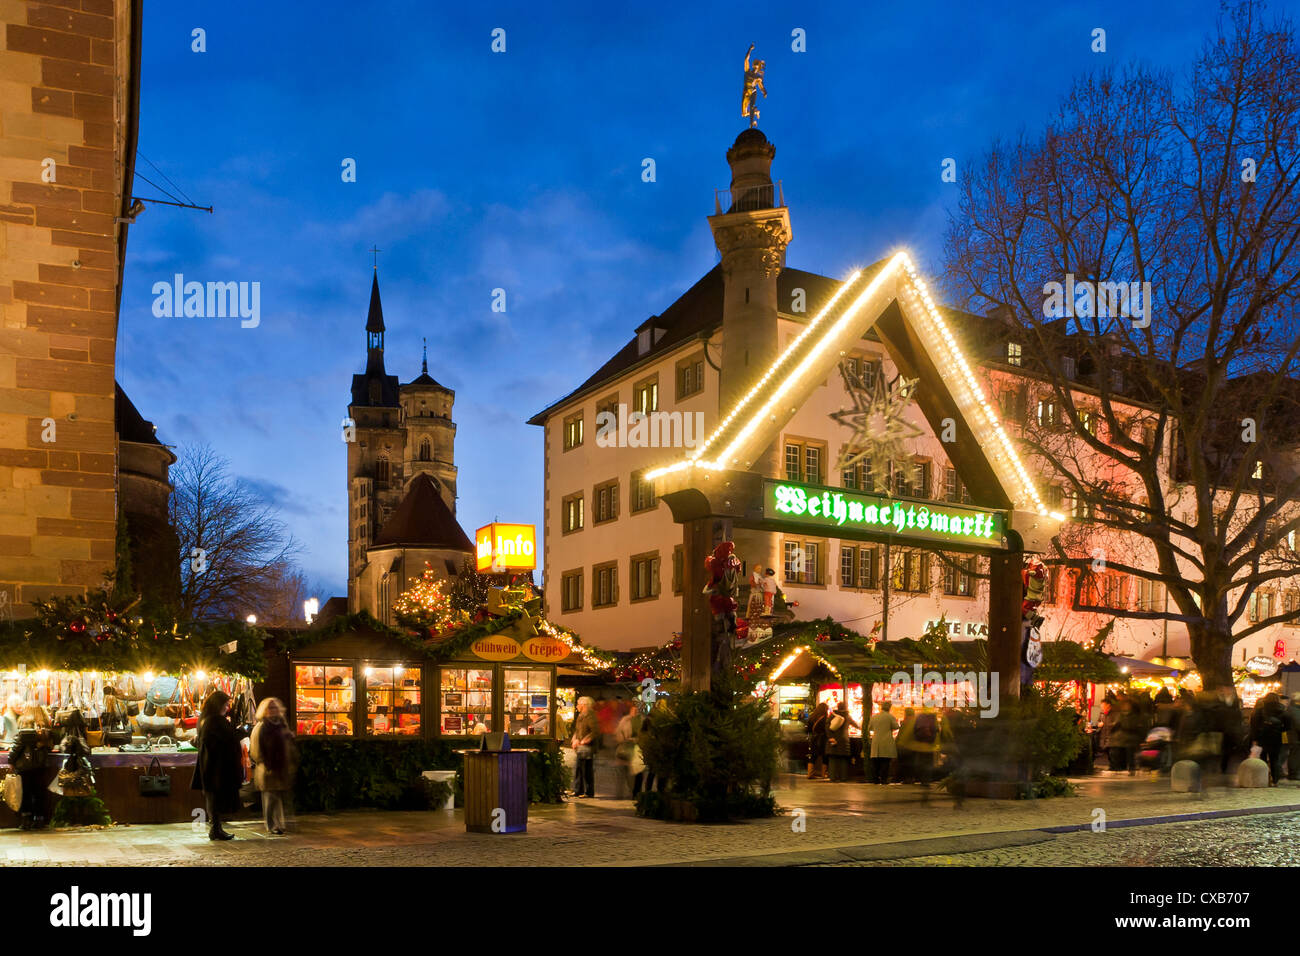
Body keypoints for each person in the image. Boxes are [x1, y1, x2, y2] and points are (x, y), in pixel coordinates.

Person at [191, 691, 243, 840]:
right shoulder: (215, 721)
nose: (228, 708)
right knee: (215, 798)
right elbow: (224, 740)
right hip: (217, 766)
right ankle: (215, 829)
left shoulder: (205, 719)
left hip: (210, 764)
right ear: (219, 704)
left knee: (212, 797)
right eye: (226, 705)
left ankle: (216, 828)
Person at [250, 697, 297, 835]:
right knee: (270, 797)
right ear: (264, 710)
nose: (273, 710)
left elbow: (287, 745)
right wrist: (266, 764)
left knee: (278, 796)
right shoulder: (262, 727)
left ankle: (280, 824)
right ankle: (272, 825)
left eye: (275, 707)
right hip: (268, 768)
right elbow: (257, 749)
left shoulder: (281, 725)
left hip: (281, 766)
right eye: (270, 708)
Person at [9, 704, 52, 830]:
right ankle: (40, 820)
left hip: (24, 766)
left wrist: (11, 761)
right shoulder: (45, 729)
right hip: (40, 766)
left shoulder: (24, 728)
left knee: (25, 793)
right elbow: (50, 746)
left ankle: (26, 820)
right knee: (39, 792)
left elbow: (16, 748)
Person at [1249, 692, 1286, 785]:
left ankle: (1264, 779)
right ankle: (1275, 780)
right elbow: (1288, 725)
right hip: (1276, 738)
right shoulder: (1282, 710)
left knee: (1262, 759)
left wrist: (1255, 738)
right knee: (1275, 759)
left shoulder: (1260, 710)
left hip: (1262, 738)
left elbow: (1254, 725)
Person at [867, 701, 899, 784]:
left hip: (876, 741)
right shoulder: (890, 717)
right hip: (886, 741)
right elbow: (896, 726)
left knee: (876, 762)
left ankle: (875, 780)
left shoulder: (874, 717)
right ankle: (884, 780)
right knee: (885, 762)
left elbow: (869, 728)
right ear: (889, 708)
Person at [570, 696, 597, 798]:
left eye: (578, 704)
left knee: (586, 770)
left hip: (587, 748)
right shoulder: (581, 715)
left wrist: (585, 740)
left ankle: (589, 792)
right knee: (579, 769)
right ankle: (578, 790)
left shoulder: (590, 716)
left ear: (584, 705)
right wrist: (575, 739)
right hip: (581, 747)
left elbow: (595, 731)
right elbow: (578, 731)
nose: (576, 706)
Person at [826, 700, 859, 782]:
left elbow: (827, 726)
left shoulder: (832, 715)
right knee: (843, 759)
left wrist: (830, 737)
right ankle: (843, 777)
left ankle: (833, 777)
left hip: (834, 739)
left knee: (833, 759)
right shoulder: (847, 716)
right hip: (844, 740)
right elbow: (856, 725)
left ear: (838, 707)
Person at [806, 702, 829, 780]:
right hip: (822, 739)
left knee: (813, 756)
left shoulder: (812, 716)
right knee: (825, 756)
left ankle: (810, 773)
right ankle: (823, 774)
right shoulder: (825, 718)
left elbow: (808, 729)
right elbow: (826, 729)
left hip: (814, 738)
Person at [1285, 695, 1300, 781]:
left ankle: (1294, 773)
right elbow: (1299, 724)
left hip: (1294, 737)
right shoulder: (1295, 710)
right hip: (1295, 737)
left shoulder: (1293, 709)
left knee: (1294, 754)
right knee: (1295, 755)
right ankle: (1294, 774)